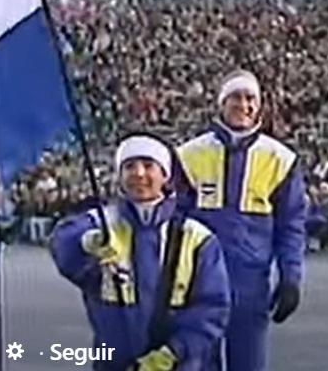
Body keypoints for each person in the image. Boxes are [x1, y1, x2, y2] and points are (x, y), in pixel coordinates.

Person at [50, 134, 230, 370]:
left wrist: (173, 353)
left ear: (165, 176)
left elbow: (212, 308)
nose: (139, 174)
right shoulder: (102, 223)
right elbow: (63, 242)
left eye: (148, 165)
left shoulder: (197, 238)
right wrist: (85, 242)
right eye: (129, 166)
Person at [176, 70, 306, 371]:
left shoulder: (280, 159)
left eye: (251, 98)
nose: (243, 105)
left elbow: (291, 226)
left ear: (259, 106)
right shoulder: (189, 155)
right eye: (235, 97)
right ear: (221, 103)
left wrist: (291, 279)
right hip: (199, 285)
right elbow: (173, 223)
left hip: (250, 285)